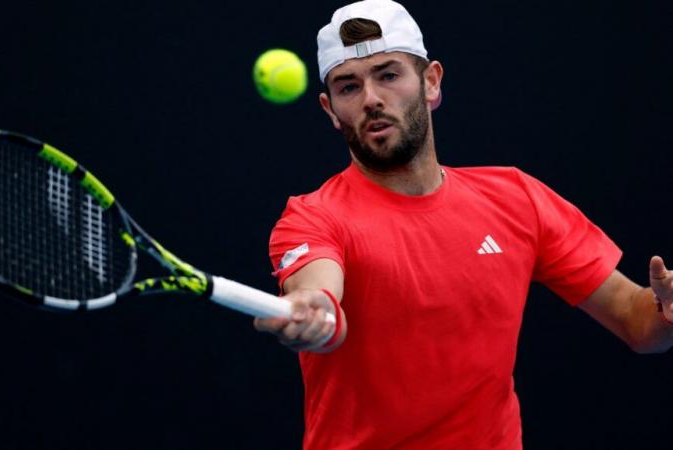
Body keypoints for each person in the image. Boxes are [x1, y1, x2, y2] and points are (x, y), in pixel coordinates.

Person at [254, 0, 673, 448]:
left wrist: (666, 314)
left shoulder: (517, 199)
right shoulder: (312, 216)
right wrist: (315, 312)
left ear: (431, 82)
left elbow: (637, 322)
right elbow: (317, 293)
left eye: (389, 75)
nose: (371, 98)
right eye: (348, 86)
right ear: (330, 109)